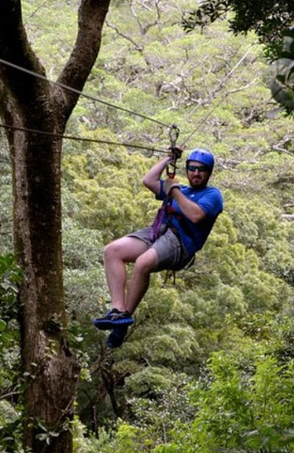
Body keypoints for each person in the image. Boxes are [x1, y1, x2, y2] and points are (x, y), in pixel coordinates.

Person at [93, 148, 224, 348]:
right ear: (187, 169)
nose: (196, 173)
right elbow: (148, 180)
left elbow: (196, 215)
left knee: (143, 262)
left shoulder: (212, 195)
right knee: (112, 251)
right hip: (159, 231)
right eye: (192, 168)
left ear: (209, 172)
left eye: (202, 170)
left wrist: (174, 191)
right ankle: (117, 311)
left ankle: (124, 319)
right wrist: (168, 160)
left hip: (181, 242)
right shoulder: (183, 189)